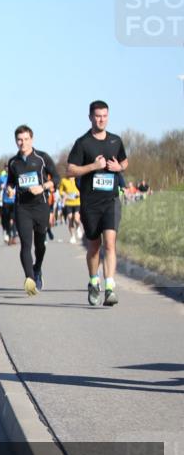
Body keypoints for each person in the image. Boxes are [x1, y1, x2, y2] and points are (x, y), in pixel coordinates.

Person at [65, 100, 129, 306]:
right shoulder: (83, 143)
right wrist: (93, 166)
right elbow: (70, 170)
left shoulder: (115, 141)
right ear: (90, 117)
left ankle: (110, 287)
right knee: (94, 246)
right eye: (98, 116)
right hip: (90, 203)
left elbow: (125, 161)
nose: (101, 119)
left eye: (105, 116)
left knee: (110, 243)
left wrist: (119, 167)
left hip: (110, 200)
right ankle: (94, 282)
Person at [7, 125, 57, 295]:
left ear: (32, 139)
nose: (23, 143)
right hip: (22, 208)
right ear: (16, 141)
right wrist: (9, 188)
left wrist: (42, 187)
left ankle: (37, 268)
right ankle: (30, 279)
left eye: (26, 139)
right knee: (26, 244)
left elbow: (56, 178)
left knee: (40, 244)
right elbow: (11, 181)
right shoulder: (13, 162)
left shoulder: (42, 158)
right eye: (19, 140)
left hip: (41, 206)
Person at [0, 168, 17, 245]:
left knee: (13, 219)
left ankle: (13, 236)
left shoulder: (17, 176)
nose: (9, 169)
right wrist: (0, 187)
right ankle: (8, 235)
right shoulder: (2, 178)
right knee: (7, 220)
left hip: (15, 201)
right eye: (7, 168)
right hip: (6, 201)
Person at [58, 175, 82, 243]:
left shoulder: (78, 179)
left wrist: (80, 193)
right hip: (68, 203)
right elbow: (60, 191)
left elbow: (83, 188)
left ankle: (78, 228)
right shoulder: (64, 180)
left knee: (77, 218)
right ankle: (72, 236)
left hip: (77, 202)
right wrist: (64, 194)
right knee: (70, 218)